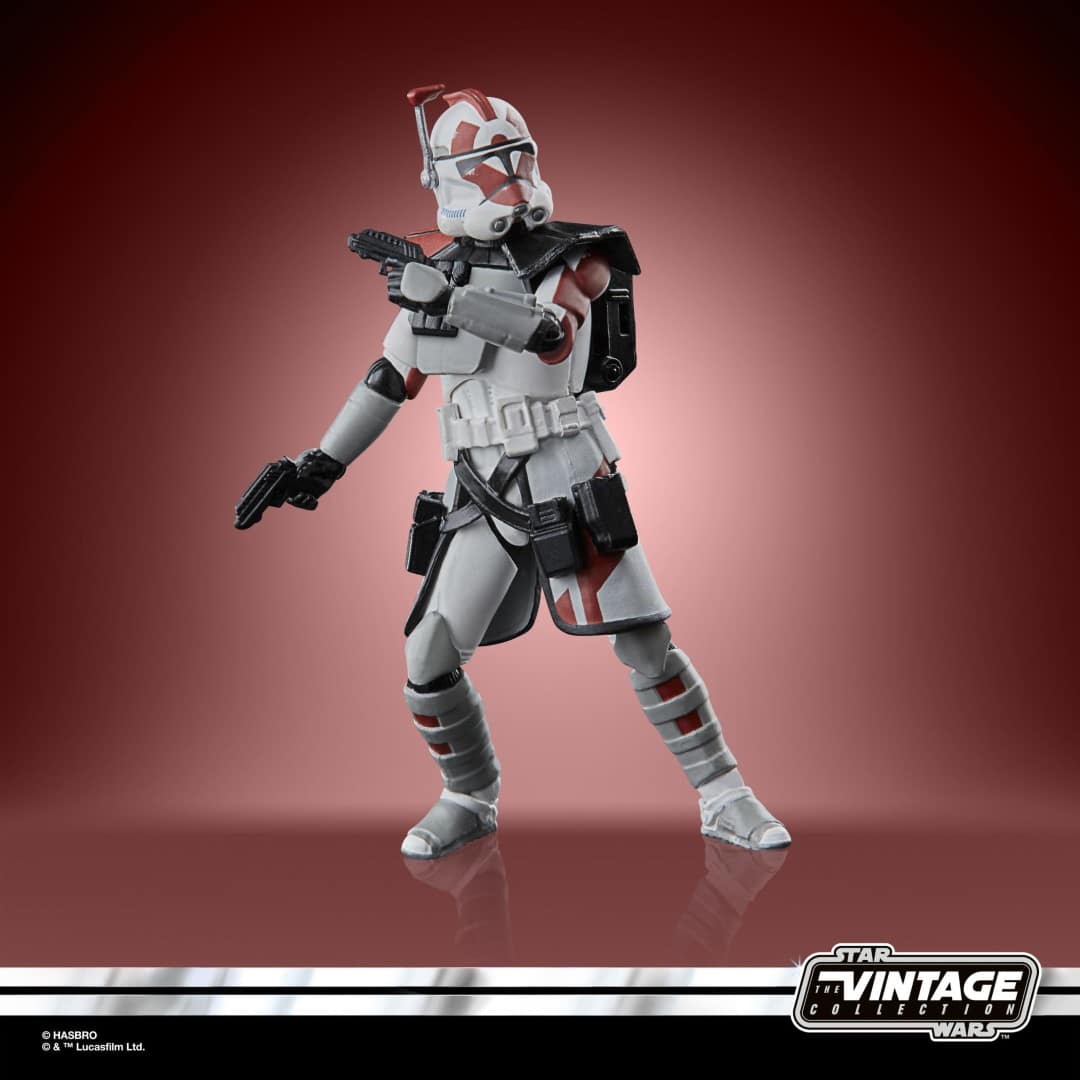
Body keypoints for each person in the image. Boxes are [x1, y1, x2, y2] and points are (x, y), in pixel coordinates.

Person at [235, 86, 791, 860]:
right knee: (429, 655)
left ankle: (724, 793)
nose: (503, 177)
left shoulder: (575, 256)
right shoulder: (434, 275)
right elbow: (388, 381)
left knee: (645, 645)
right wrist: (321, 464)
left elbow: (549, 335)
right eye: (483, 164)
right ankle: (467, 795)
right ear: (443, 176)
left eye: (510, 159)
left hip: (569, 476)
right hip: (480, 492)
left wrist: (450, 297)